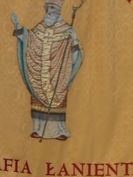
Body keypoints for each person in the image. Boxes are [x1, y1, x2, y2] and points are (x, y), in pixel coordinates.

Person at [11, 0, 84, 140]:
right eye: (48, 7)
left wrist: (74, 39)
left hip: (58, 73)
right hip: (39, 71)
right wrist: (18, 25)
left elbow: (76, 55)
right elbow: (29, 39)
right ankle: (38, 129)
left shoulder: (66, 29)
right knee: (38, 95)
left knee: (58, 95)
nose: (50, 10)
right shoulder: (40, 27)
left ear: (59, 10)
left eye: (53, 7)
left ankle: (60, 130)